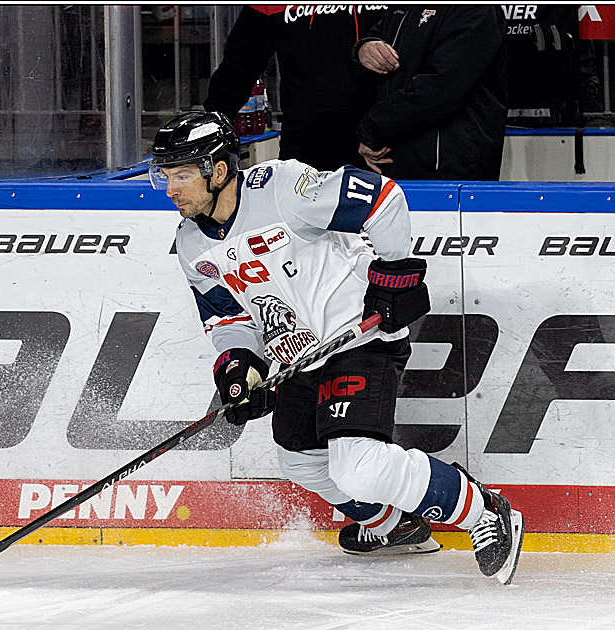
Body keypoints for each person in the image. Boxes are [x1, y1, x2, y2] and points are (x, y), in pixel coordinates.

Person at [149, 111, 525, 584]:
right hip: (298, 358)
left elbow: (384, 199)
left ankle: (485, 511)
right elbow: (228, 318)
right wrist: (239, 364)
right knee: (300, 461)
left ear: (218, 170)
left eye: (181, 175)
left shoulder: (280, 188)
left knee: (358, 466)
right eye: (165, 176)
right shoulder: (190, 244)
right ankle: (392, 526)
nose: (170, 189)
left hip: (358, 339)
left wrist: (394, 272)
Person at [203, 5, 386, 172]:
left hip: (382, 151)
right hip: (305, 158)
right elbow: (238, 67)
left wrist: (386, 128)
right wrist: (206, 132)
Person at [352, 6, 508, 180]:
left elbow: (442, 90)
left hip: (449, 166)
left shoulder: (475, 8)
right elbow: (369, 53)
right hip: (392, 156)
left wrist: (373, 130)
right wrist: (363, 50)